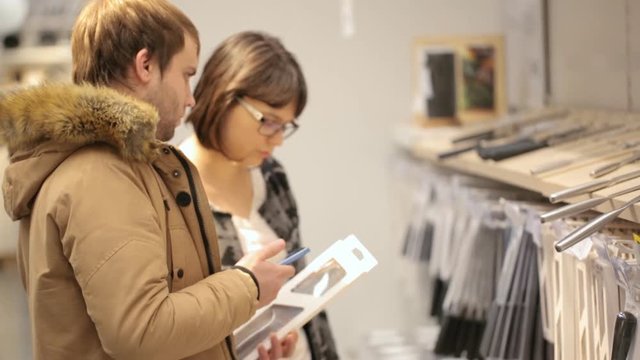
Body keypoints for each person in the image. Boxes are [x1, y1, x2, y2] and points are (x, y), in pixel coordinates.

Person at [0, 1, 296, 359]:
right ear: (145, 65)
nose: (190, 99)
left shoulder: (122, 169)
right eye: (187, 74)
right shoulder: (100, 175)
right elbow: (141, 331)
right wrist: (246, 285)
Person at [180, 31, 339, 360]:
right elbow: (175, 327)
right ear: (224, 96)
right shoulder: (173, 192)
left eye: (286, 126)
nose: (277, 139)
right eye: (268, 122)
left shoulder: (271, 176)